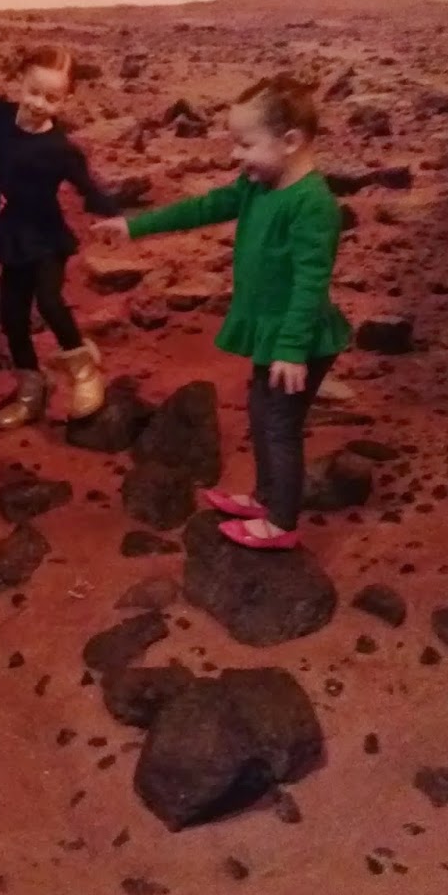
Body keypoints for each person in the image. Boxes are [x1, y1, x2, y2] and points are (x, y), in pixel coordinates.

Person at [94, 73, 350, 550]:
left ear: (290, 141)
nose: (236, 155)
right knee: (262, 416)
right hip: (275, 334)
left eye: (246, 145)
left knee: (280, 427)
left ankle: (281, 523)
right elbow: (207, 207)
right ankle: (266, 498)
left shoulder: (312, 204)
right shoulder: (259, 185)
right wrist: (136, 227)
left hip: (297, 340)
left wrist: (292, 349)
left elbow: (311, 283)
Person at [0, 44, 121, 427]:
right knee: (13, 317)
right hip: (12, 235)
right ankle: (30, 390)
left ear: (66, 99)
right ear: (20, 82)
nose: (39, 104)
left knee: (48, 299)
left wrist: (118, 217)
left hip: (46, 237)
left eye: (52, 98)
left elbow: (89, 190)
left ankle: (84, 372)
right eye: (33, 92)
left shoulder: (61, 150)